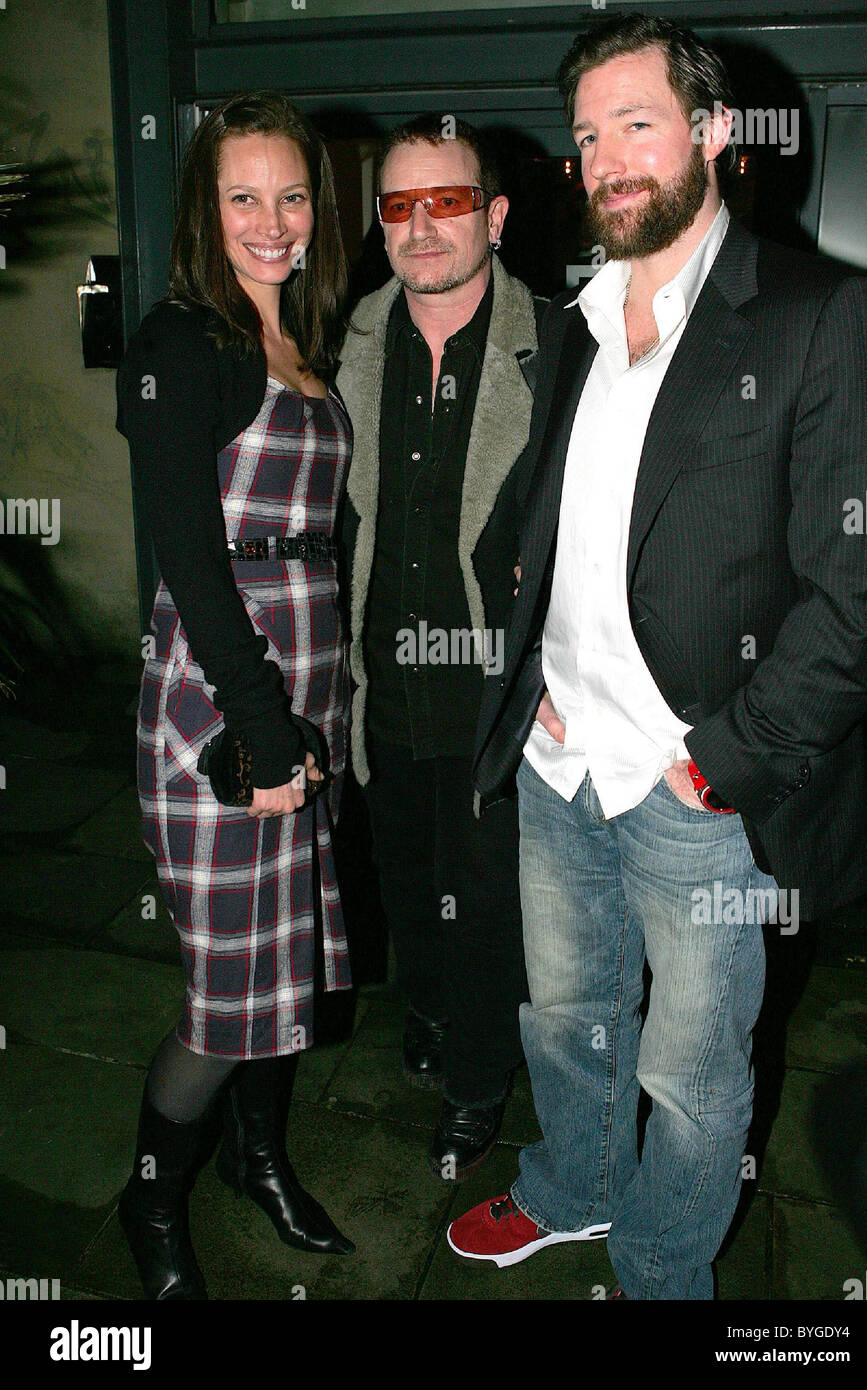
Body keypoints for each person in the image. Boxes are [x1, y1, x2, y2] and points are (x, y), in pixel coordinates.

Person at [449, 14, 867, 1297]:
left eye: (636, 124)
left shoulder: (824, 317)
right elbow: (543, 521)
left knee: (694, 1080)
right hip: (560, 765)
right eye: (588, 137)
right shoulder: (580, 319)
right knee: (565, 1019)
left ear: (712, 136)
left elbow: (863, 591)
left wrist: (724, 764)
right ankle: (573, 1189)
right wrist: (530, 675)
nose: (605, 158)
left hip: (700, 791)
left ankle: (658, 1272)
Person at [115, 91, 355, 1300]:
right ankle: (148, 1206)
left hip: (306, 698)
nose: (272, 220)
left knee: (288, 968)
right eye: (242, 195)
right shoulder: (180, 343)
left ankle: (258, 1159)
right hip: (225, 708)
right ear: (206, 212)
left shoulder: (304, 344)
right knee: (225, 996)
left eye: (293, 193)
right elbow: (191, 564)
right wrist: (261, 734)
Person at [336, 115, 538, 1179]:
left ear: (493, 216)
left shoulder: (554, 348)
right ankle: (425, 1011)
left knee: (487, 901)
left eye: (447, 201)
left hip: (490, 694)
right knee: (406, 879)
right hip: (383, 682)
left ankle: (477, 1077)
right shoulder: (347, 342)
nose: (422, 227)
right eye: (400, 205)